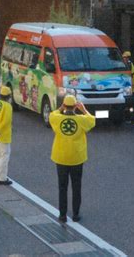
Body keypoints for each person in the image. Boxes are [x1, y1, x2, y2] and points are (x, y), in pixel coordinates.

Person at [49, 95, 95, 223]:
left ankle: (62, 215)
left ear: (64, 105)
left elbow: (52, 114)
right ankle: (75, 214)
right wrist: (84, 109)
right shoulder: (81, 120)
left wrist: (60, 108)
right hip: (77, 157)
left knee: (62, 187)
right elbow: (92, 120)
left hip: (61, 157)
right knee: (76, 187)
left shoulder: (57, 118)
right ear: (75, 106)